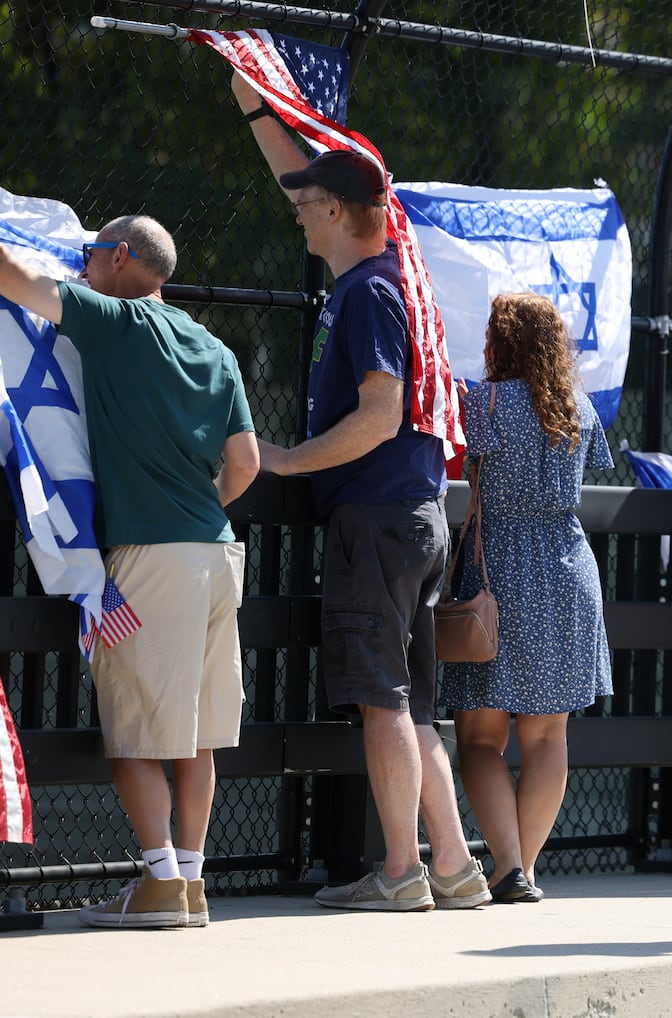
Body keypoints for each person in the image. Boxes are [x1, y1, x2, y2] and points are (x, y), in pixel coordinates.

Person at [234, 78, 487, 911]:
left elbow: (380, 414)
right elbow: (301, 173)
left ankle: (402, 872)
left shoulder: (369, 291)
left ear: (340, 212)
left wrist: (286, 459)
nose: (297, 214)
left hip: (374, 519)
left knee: (381, 698)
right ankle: (452, 865)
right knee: (413, 703)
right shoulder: (388, 276)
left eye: (310, 205)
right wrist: (255, 105)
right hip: (415, 516)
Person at [0, 216, 259, 928]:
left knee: (136, 730)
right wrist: (193, 505)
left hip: (151, 558)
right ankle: (194, 883)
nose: (80, 268)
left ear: (120, 258)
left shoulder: (115, 321)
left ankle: (156, 884)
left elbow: (14, 281)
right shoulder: (215, 350)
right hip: (218, 552)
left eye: (88, 256)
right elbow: (246, 466)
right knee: (200, 733)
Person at [441, 292, 613, 903]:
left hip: (498, 574)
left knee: (481, 739)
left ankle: (508, 867)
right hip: (569, 574)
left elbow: (460, 466)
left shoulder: (481, 401)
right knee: (548, 737)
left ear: (499, 341)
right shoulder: (579, 408)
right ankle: (528, 870)